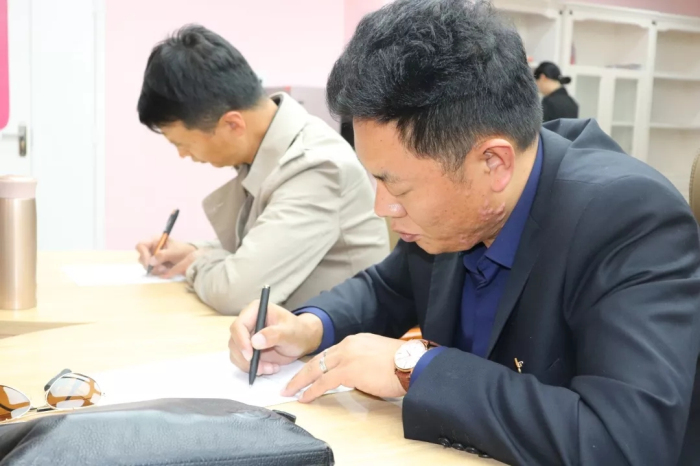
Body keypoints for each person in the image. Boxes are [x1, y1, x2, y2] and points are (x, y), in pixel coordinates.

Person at [228, 0, 700, 464]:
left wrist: (414, 368)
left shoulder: (630, 219)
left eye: (397, 185)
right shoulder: (455, 214)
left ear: (493, 162)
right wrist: (310, 327)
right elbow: (387, 288)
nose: (381, 207)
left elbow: (624, 443)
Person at [135, 25, 389, 315]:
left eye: (182, 143)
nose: (183, 155)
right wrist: (194, 249)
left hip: (339, 337)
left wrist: (196, 261)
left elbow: (238, 293)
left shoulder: (317, 167)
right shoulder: (267, 151)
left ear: (232, 124)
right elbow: (258, 246)